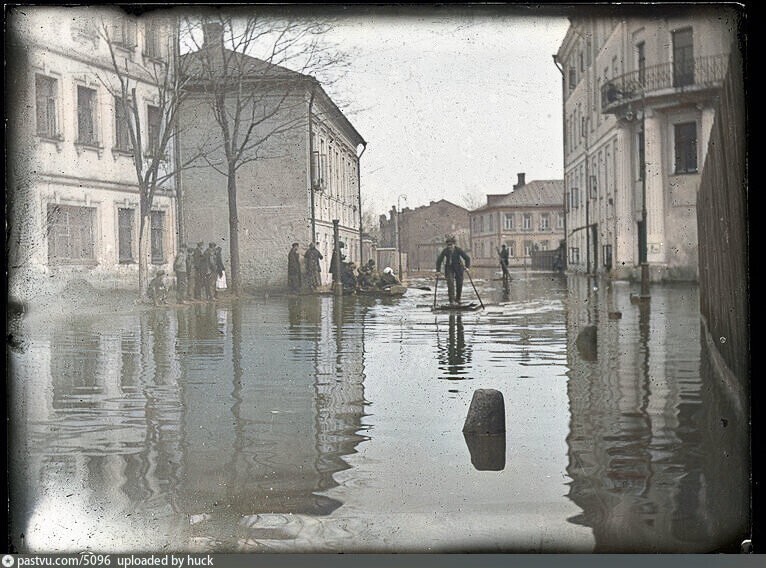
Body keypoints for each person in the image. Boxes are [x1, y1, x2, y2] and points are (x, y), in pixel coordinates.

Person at [436, 235, 471, 305]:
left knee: (459, 283)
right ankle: (451, 300)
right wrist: (438, 271)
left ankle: (458, 299)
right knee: (450, 282)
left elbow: (467, 258)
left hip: (458, 267)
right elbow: (439, 260)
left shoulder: (458, 250)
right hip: (449, 268)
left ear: (454, 245)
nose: (449, 247)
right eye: (448, 245)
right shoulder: (445, 251)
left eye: (451, 245)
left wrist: (467, 267)